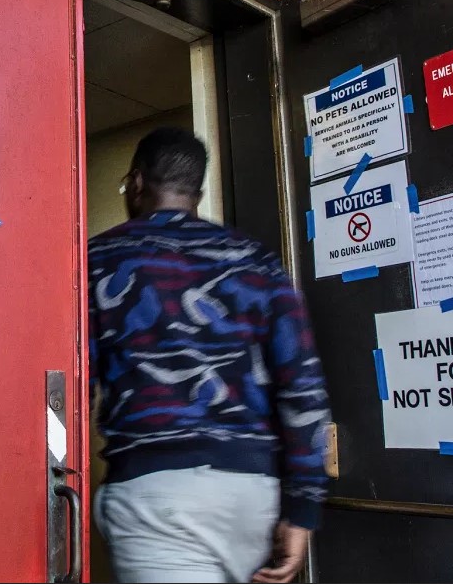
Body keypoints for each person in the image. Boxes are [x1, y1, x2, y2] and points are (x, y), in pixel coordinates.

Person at [88, 127, 329, 584]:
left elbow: (71, 383)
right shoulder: (257, 261)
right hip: (253, 496)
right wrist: (303, 509)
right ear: (196, 193)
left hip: (159, 499)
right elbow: (302, 386)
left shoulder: (100, 260)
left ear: (136, 183)